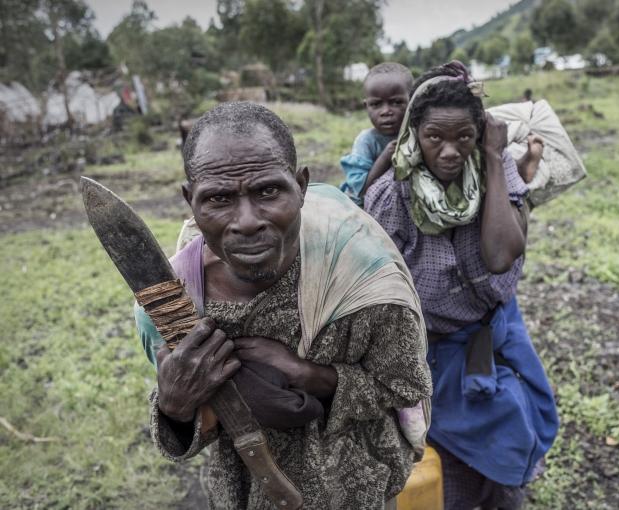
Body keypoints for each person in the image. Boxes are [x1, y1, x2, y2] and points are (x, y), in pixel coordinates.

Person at [134, 102, 432, 509]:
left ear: (302, 185)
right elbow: (194, 428)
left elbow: (405, 387)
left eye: (268, 191)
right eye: (219, 199)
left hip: (356, 492)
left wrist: (312, 376)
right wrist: (173, 406)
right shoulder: (177, 299)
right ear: (191, 201)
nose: (247, 221)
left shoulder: (363, 283)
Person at [364, 62, 558, 510]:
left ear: (480, 135)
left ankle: (504, 491)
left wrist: (492, 155)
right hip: (428, 347)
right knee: (442, 455)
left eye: (464, 138)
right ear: (416, 135)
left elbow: (500, 256)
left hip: (493, 330)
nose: (450, 151)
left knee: (512, 430)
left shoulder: (495, 168)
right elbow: (376, 282)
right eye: (435, 138)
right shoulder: (395, 191)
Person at [340, 62, 413, 205]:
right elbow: (360, 191)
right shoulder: (366, 140)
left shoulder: (416, 134)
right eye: (376, 104)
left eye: (396, 102)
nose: (386, 111)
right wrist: (386, 157)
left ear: (412, 102)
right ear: (366, 106)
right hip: (367, 209)